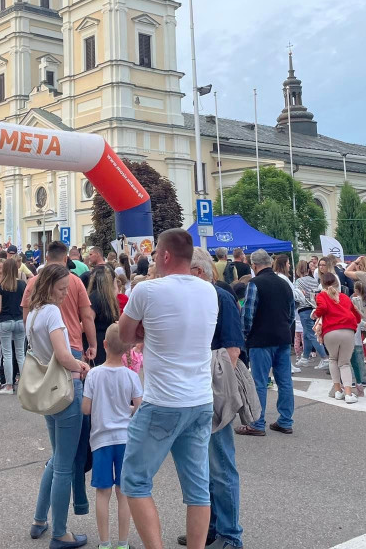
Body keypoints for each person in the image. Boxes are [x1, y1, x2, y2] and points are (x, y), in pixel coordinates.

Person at [118, 229, 217, 549]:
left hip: (162, 401)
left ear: (163, 256)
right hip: (200, 400)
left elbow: (124, 336)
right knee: (198, 488)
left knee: (134, 480)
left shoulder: (147, 291)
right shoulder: (208, 291)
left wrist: (145, 331)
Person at [27, 263, 92, 549]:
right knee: (64, 465)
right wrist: (81, 364)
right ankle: (60, 532)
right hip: (65, 388)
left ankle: (40, 520)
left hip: (47, 391)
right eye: (62, 288)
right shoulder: (51, 312)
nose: (66, 293)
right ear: (50, 284)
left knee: (56, 460)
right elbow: (63, 354)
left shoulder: (34, 313)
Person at [188, 247, 245, 549]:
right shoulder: (197, 297)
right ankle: (208, 528)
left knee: (221, 465)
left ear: (197, 272)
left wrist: (214, 393)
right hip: (195, 393)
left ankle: (230, 534)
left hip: (213, 393)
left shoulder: (220, 297)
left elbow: (233, 351)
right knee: (201, 466)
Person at [83, 323, 143, 549]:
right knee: (123, 493)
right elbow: (140, 406)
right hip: (125, 439)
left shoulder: (94, 375)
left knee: (102, 492)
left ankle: (104, 543)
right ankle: (123, 543)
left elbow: (86, 409)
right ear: (128, 349)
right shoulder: (131, 377)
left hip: (101, 441)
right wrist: (127, 411)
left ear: (105, 345)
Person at [237, 249, 295, 436]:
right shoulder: (285, 284)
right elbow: (292, 313)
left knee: (259, 382)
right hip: (283, 337)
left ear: (254, 265)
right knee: (285, 381)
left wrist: (245, 335)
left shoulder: (255, 284)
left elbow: (248, 315)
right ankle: (285, 421)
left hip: (261, 339)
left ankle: (257, 422)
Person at [312, 271, 362, 404]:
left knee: (333, 359)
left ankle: (338, 391)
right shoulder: (344, 297)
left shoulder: (322, 295)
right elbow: (356, 315)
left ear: (321, 283)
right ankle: (348, 393)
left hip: (330, 331)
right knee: (344, 363)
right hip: (348, 330)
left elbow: (321, 308)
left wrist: (315, 314)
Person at [0, 258, 26, 395]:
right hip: (20, 320)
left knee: (7, 354)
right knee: (20, 354)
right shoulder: (22, 285)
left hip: (5, 320)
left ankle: (8, 385)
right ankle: (26, 385)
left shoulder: (0, 287)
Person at [293, 259, 327, 369]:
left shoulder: (298, 282)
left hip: (303, 309)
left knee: (311, 334)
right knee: (307, 334)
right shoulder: (313, 280)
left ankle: (324, 358)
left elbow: (296, 296)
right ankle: (305, 357)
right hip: (313, 308)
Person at [87, 265, 119, 366]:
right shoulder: (108, 298)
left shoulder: (95, 297)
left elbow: (88, 320)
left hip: (97, 341)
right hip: (105, 341)